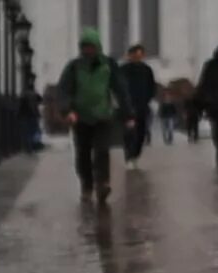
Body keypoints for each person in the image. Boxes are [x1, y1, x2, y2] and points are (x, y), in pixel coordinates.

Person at [57, 28, 129, 204]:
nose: (88, 50)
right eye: (85, 47)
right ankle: (87, 185)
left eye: (91, 46)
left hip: (103, 116)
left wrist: (128, 113)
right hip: (80, 118)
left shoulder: (108, 64)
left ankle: (102, 183)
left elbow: (120, 89)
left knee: (102, 150)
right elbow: (64, 90)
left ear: (97, 46)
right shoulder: (74, 67)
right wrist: (68, 110)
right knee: (83, 153)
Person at [120, 44, 158, 171]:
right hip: (128, 107)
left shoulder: (147, 70)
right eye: (135, 55)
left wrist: (148, 98)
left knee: (141, 132)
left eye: (140, 55)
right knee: (129, 133)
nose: (137, 57)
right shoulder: (123, 70)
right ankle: (129, 156)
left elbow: (152, 86)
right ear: (130, 55)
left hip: (142, 106)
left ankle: (135, 155)